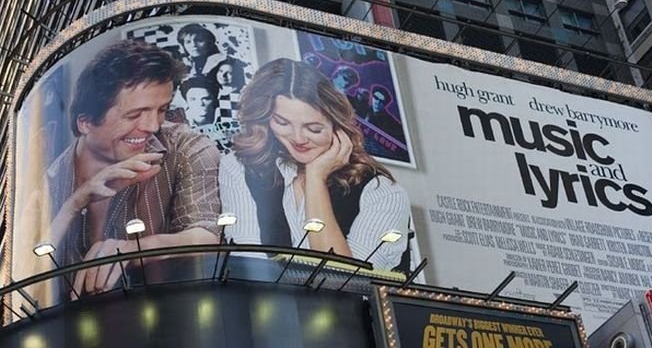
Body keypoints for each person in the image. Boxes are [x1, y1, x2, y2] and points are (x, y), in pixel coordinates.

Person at [18, 40, 221, 303]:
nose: (152, 126)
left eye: (162, 110)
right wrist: (74, 203)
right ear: (86, 122)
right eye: (135, 114)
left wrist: (129, 251)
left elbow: (205, 237)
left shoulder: (187, 147)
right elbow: (19, 289)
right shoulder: (44, 181)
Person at [219, 58, 410, 270]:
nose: (298, 138)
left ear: (338, 125)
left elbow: (347, 279)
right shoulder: (239, 166)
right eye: (282, 123)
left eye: (313, 128)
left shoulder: (382, 191)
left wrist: (316, 178)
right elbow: (249, 263)